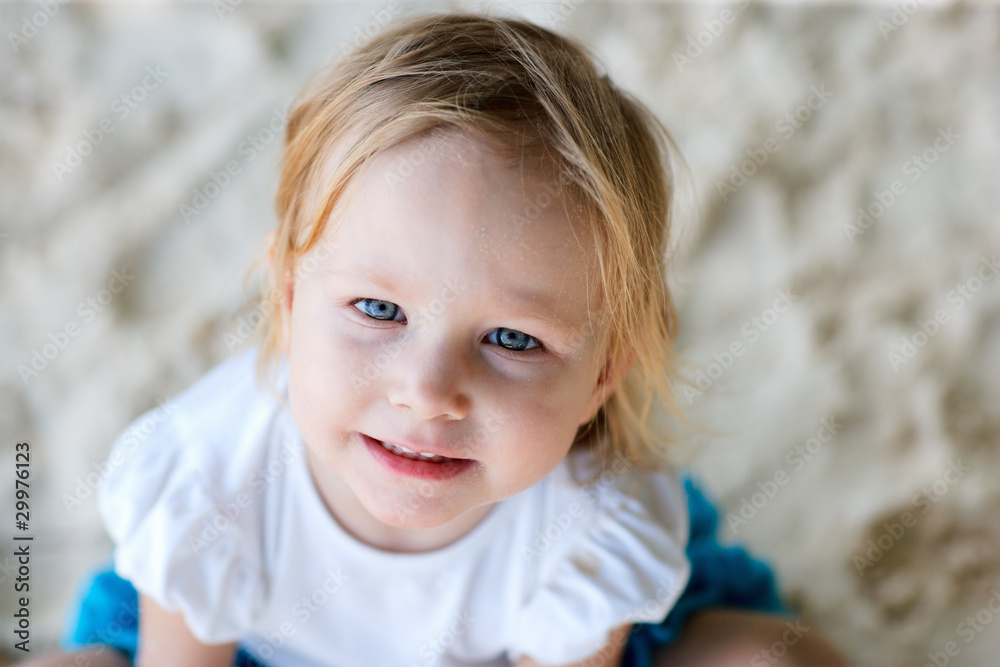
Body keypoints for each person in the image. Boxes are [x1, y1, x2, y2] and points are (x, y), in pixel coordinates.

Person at [21, 11, 848, 667]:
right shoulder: (211, 475)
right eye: (379, 310)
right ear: (290, 297)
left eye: (512, 338)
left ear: (602, 375)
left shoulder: (591, 527)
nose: (427, 390)